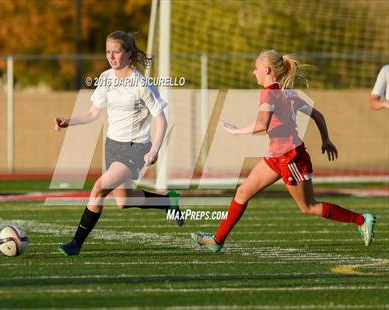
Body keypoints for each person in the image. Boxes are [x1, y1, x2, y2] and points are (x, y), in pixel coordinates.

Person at [191, 50, 376, 252]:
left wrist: (237, 132)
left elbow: (263, 123)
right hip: (276, 157)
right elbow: (318, 116)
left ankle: (361, 219)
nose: (254, 72)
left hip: (291, 158)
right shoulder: (287, 93)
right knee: (242, 192)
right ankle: (217, 241)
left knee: (308, 207)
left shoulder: (269, 93)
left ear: (267, 70)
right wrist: (326, 140)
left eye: (256, 68)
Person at [54, 31, 183, 256]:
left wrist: (154, 150)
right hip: (112, 146)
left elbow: (161, 119)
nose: (111, 56)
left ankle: (76, 243)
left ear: (129, 52)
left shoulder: (141, 83)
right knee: (123, 200)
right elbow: (94, 113)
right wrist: (69, 121)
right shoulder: (105, 78)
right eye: (107, 51)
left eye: (116, 51)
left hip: (136, 148)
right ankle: (167, 202)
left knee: (98, 188)